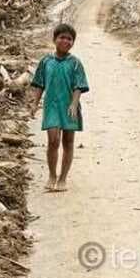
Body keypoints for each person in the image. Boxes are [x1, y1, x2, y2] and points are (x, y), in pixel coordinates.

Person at [29, 24, 90, 192]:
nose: (65, 41)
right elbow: (39, 84)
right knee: (53, 140)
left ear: (73, 43)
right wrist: (35, 103)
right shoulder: (46, 61)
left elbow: (79, 85)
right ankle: (51, 175)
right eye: (62, 37)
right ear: (54, 39)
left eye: (69, 39)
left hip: (69, 106)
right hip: (51, 106)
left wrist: (74, 103)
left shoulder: (75, 63)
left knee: (68, 142)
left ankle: (63, 178)